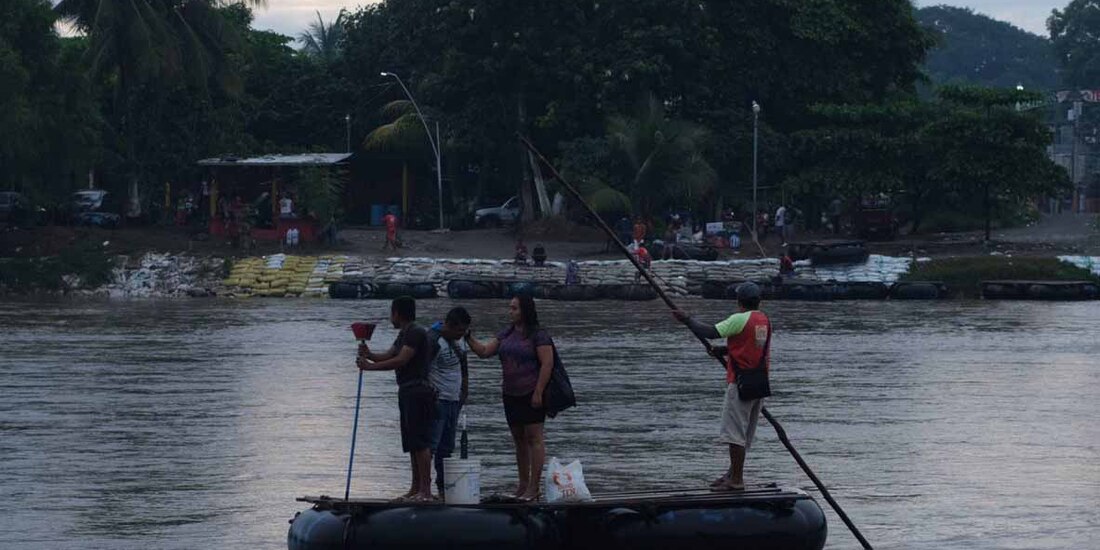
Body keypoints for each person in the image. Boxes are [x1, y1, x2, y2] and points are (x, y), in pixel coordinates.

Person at [672, 282, 772, 492]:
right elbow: (750, 346)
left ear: (739, 302)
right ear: (759, 301)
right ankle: (731, 474)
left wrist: (687, 320)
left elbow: (710, 331)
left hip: (741, 383)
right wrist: (725, 351)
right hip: (759, 382)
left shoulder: (739, 318)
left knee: (734, 433)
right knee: (745, 434)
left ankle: (736, 480)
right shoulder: (763, 319)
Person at [465, 296, 554, 502]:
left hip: (531, 393)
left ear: (525, 310)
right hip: (510, 394)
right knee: (519, 441)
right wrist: (468, 337)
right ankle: (522, 485)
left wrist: (539, 391)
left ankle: (534, 487)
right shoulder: (507, 333)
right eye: (510, 308)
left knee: (535, 439)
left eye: (514, 308)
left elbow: (547, 364)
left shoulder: (538, 335)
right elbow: (485, 351)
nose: (510, 312)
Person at [356, 297, 436, 502]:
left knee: (420, 442)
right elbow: (388, 355)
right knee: (411, 442)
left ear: (397, 313)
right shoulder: (404, 334)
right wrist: (370, 354)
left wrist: (369, 367)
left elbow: (401, 360)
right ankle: (415, 487)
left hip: (418, 390)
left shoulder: (416, 332)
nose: (391, 317)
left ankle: (425, 491)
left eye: (392, 312)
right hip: (407, 391)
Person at [427, 307, 472, 497]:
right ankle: (424, 487)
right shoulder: (433, 340)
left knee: (447, 448)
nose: (462, 335)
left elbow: (464, 364)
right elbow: (422, 368)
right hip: (439, 400)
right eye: (459, 331)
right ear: (449, 326)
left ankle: (443, 489)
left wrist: (465, 390)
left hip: (454, 400)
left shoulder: (459, 341)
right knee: (431, 446)